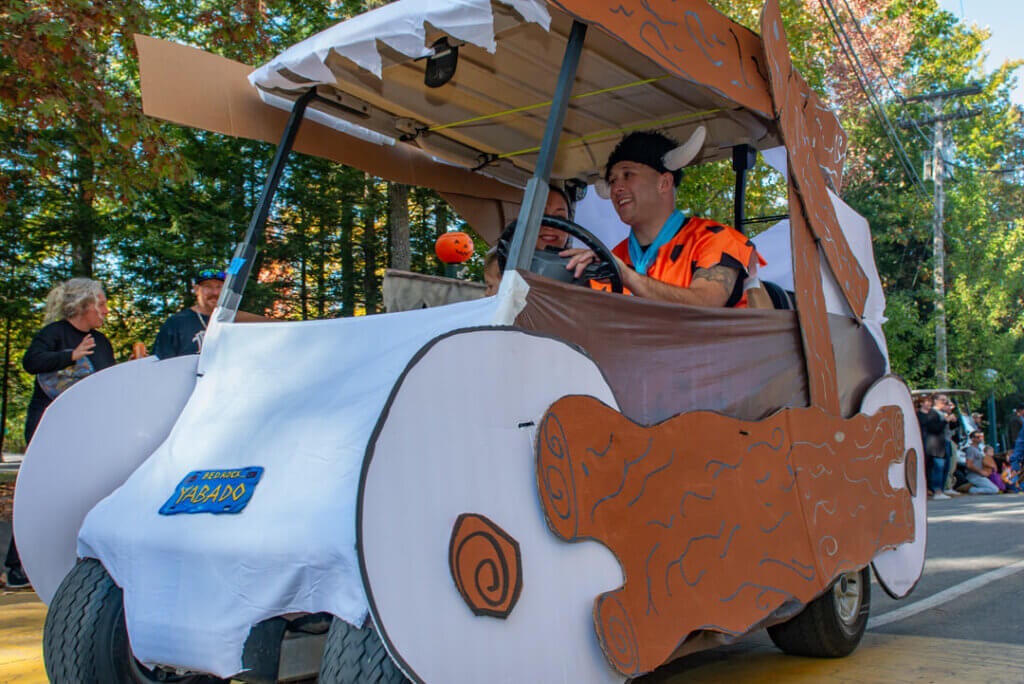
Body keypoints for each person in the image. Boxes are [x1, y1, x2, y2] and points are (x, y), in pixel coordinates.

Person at [565, 130, 765, 308]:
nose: (617, 188)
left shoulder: (717, 241)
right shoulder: (612, 257)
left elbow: (704, 306)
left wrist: (628, 277)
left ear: (664, 183)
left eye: (628, 175)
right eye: (612, 180)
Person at [6, 278, 116, 589]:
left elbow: (105, 382)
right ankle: (18, 568)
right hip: (49, 427)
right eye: (102, 304)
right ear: (85, 305)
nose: (106, 310)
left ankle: (76, 557)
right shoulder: (53, 335)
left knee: (84, 492)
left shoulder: (101, 341)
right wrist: (71, 354)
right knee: (43, 494)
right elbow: (32, 362)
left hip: (86, 428)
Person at [484, 186, 575, 297]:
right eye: (541, 216)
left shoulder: (581, 268)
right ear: (523, 223)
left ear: (570, 229)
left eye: (560, 218)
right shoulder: (504, 263)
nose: (550, 226)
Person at [153, 267, 226, 359]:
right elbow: (160, 365)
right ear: (196, 290)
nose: (215, 292)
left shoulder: (231, 322)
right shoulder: (176, 323)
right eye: (208, 286)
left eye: (219, 287)